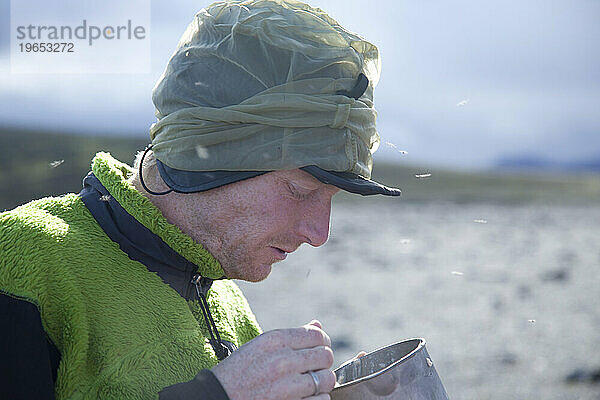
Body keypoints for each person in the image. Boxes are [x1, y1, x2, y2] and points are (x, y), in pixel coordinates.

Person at [0, 1, 401, 399]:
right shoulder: (24, 259)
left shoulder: (228, 302)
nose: (319, 234)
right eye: (300, 190)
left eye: (331, 199)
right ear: (212, 157)